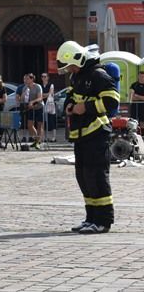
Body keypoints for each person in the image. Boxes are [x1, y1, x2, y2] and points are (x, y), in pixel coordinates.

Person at [56, 40, 119, 234]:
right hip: (81, 135)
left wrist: (86, 107)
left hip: (97, 134)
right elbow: (71, 95)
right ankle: (91, 217)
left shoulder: (98, 75)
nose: (70, 70)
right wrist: (69, 105)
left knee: (97, 176)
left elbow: (112, 100)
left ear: (79, 59)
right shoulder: (77, 76)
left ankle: (103, 221)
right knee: (84, 177)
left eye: (71, 66)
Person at [23, 73, 44, 149]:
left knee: (39, 125)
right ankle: (36, 140)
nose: (26, 80)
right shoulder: (25, 87)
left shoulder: (37, 86)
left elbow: (40, 98)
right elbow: (23, 99)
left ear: (32, 79)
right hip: (31, 108)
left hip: (39, 107)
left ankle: (37, 142)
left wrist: (32, 102)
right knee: (30, 125)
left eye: (27, 79)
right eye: (25, 79)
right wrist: (23, 95)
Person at [41, 72, 58, 143]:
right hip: (43, 104)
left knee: (52, 121)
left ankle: (54, 137)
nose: (43, 78)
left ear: (48, 77)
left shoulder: (51, 85)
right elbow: (39, 95)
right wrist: (44, 95)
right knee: (44, 121)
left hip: (50, 105)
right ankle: (45, 137)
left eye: (45, 76)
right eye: (42, 76)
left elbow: (50, 93)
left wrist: (43, 95)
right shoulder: (40, 86)